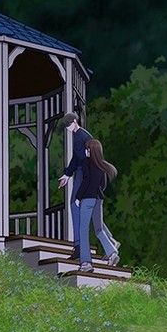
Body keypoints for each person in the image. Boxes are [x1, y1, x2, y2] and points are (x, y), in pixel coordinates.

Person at [57, 112, 120, 260]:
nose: (67, 128)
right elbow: (76, 158)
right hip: (84, 173)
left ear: (74, 121)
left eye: (68, 125)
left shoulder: (82, 136)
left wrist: (70, 175)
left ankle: (79, 246)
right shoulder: (79, 135)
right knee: (90, 212)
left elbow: (81, 159)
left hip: (84, 172)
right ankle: (110, 242)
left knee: (75, 205)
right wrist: (67, 174)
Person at [74, 138, 120, 273]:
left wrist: (78, 197)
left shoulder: (86, 163)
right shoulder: (102, 166)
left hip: (87, 199)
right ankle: (112, 253)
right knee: (99, 229)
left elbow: (85, 182)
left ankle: (86, 263)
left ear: (90, 150)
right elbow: (103, 185)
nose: (86, 151)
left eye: (87, 149)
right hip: (98, 199)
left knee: (83, 230)